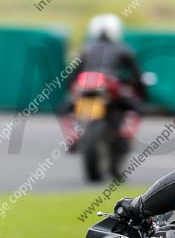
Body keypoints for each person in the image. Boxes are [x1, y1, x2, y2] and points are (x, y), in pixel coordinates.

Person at [60, 14, 148, 150]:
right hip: (108, 85)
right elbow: (136, 74)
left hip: (86, 85)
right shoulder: (123, 48)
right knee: (136, 106)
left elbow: (73, 74)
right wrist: (142, 92)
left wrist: (71, 88)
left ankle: (74, 134)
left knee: (66, 106)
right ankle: (126, 133)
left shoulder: (85, 49)